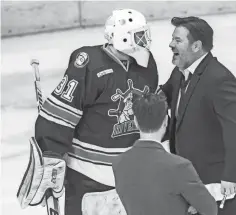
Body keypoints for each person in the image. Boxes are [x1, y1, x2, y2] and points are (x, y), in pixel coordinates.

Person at [18, 9, 159, 215]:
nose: (145, 40)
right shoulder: (89, 63)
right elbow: (61, 113)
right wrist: (51, 153)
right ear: (122, 36)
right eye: (139, 35)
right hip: (87, 174)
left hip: (130, 173)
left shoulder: (147, 65)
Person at [159, 16, 236, 215]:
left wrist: (231, 177)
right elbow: (162, 96)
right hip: (199, 177)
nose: (170, 43)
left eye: (178, 40)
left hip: (225, 183)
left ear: (196, 46)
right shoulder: (181, 71)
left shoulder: (219, 79)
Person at [112, 93, 218, 215]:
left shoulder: (118, 163)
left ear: (135, 121)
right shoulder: (180, 166)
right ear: (166, 121)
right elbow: (210, 209)